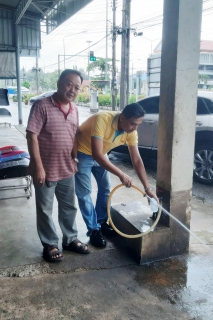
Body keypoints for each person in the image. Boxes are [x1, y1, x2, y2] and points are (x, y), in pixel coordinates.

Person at [26, 69, 90, 262]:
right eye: (69, 84)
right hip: (44, 170)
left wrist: (75, 158)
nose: (73, 90)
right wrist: (38, 166)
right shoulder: (41, 106)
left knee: (69, 207)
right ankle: (50, 243)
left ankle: (70, 239)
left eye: (77, 87)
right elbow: (32, 136)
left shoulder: (75, 110)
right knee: (45, 209)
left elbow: (74, 136)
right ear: (59, 83)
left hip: (66, 169)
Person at [75, 102, 158, 248]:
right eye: (133, 123)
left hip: (101, 154)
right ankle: (93, 229)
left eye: (138, 124)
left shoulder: (131, 132)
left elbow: (137, 160)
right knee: (84, 193)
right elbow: (96, 154)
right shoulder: (102, 119)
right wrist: (121, 174)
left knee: (105, 188)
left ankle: (101, 222)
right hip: (83, 152)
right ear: (122, 118)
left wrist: (148, 188)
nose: (135, 128)